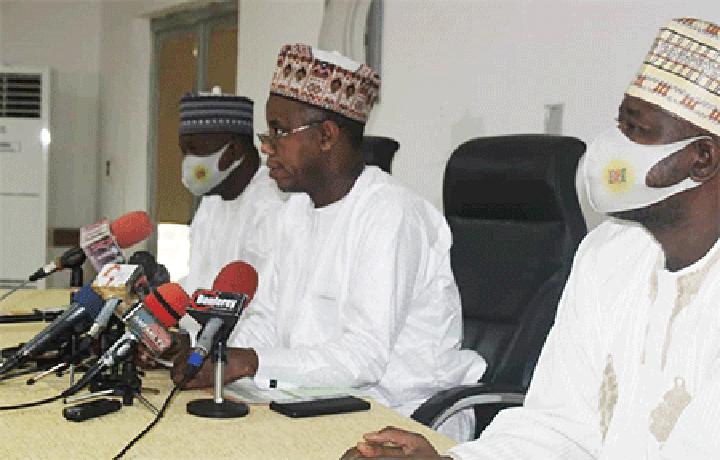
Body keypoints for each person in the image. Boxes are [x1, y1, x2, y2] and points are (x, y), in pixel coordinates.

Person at [342, 16, 720, 459]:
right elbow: (556, 427)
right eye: (618, 125)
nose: (610, 146)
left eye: (635, 130)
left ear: (701, 159)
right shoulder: (608, 253)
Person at [172, 44, 486, 440]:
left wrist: (251, 361)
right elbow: (265, 321)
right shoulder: (294, 212)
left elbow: (363, 358)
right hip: (311, 403)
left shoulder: (390, 214)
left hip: (402, 420)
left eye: (279, 132)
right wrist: (212, 358)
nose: (266, 147)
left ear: (325, 136)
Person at [176, 87, 286, 337]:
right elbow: (199, 281)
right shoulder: (211, 202)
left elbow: (263, 311)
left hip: (240, 351)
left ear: (234, 150)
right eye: (184, 151)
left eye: (195, 149)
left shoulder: (272, 205)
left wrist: (202, 346)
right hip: (198, 344)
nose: (188, 161)